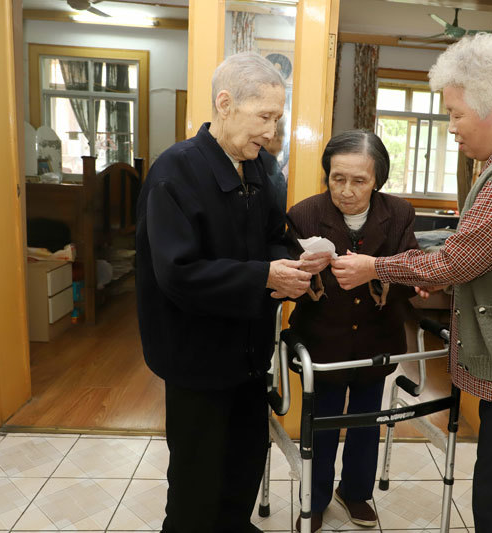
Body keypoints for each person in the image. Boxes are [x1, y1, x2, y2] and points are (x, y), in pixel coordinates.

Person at [331, 34, 492, 533]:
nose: (450, 127)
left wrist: (376, 268)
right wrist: (442, 272)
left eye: (455, 114)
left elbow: (456, 261)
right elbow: (476, 256)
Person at [135, 52, 311, 533]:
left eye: (277, 119)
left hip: (249, 353)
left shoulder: (259, 167)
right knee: (197, 479)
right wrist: (264, 277)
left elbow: (275, 235)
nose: (271, 132)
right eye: (264, 117)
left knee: (244, 461)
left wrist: (292, 262)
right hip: (195, 355)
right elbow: (178, 273)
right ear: (225, 103)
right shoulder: (175, 172)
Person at [286, 130, 418, 533]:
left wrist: (390, 277)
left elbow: (410, 269)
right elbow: (284, 277)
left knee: (366, 421)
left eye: (359, 181)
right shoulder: (304, 214)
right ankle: (315, 500)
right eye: (337, 178)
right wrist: (302, 275)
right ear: (327, 174)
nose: (346, 190)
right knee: (320, 426)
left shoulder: (399, 214)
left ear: (377, 180)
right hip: (323, 341)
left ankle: (356, 492)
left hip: (376, 339)